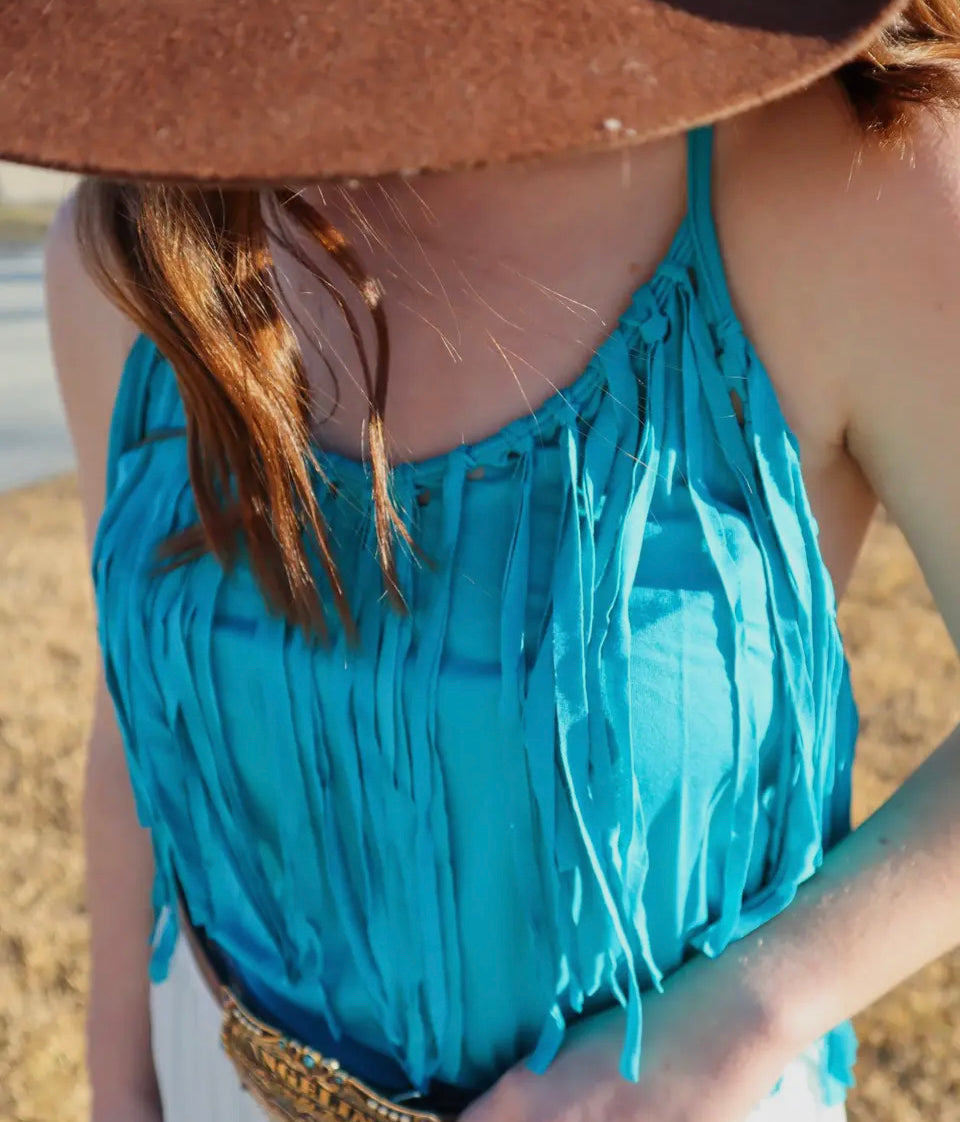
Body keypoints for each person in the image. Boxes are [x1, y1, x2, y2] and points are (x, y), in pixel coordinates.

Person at [3, 0, 960, 1119]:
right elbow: (137, 723)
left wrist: (746, 1014)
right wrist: (124, 1079)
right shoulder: (132, 235)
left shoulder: (856, 182)